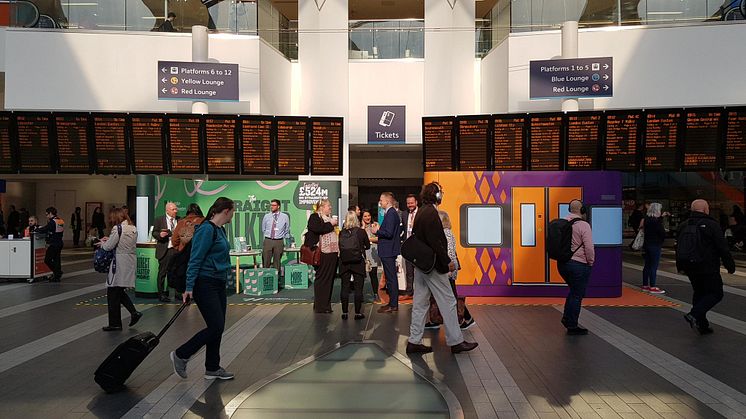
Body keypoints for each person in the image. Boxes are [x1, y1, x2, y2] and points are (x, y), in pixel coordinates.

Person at [406, 182, 477, 355]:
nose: (442, 195)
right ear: (436, 195)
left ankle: (414, 341)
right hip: (433, 266)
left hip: (421, 265)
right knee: (449, 301)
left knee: (420, 304)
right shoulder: (432, 213)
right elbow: (436, 242)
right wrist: (447, 262)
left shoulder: (421, 212)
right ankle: (456, 341)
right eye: (441, 193)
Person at [171, 197, 236, 381]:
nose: (233, 215)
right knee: (215, 327)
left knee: (218, 326)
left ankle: (212, 368)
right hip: (204, 283)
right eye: (233, 211)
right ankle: (181, 354)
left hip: (217, 283)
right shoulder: (206, 229)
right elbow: (195, 259)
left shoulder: (219, 230)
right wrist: (189, 286)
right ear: (226, 211)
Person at [678, 199, 735, 335]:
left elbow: (678, 247)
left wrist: (680, 266)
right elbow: (722, 247)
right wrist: (729, 265)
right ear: (705, 209)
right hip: (708, 266)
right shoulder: (712, 225)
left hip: (689, 266)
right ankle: (694, 314)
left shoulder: (683, 225)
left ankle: (702, 325)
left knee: (699, 292)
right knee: (716, 293)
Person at [426, 210, 476, 330]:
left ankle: (464, 320)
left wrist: (448, 269)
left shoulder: (445, 233)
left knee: (450, 297)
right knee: (447, 296)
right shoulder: (445, 232)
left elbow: (449, 253)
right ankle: (438, 319)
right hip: (446, 269)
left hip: (446, 270)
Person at [99, 208, 141, 331]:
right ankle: (134, 313)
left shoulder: (117, 228)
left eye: (111, 217)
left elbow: (108, 247)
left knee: (112, 293)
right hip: (130, 261)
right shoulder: (133, 228)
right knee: (118, 292)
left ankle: (115, 323)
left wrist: (102, 243)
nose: (110, 220)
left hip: (119, 264)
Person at [557, 200, 595, 335]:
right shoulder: (583, 225)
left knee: (574, 292)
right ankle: (572, 325)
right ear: (582, 210)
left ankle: (568, 319)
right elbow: (589, 247)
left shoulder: (562, 222)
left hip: (562, 264)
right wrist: (590, 262)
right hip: (578, 264)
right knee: (577, 294)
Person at [304, 199, 339, 313]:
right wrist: (331, 224)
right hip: (322, 253)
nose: (330, 208)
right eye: (328, 206)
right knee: (322, 279)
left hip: (332, 253)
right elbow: (318, 229)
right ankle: (321, 306)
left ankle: (324, 304)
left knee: (329, 280)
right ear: (321, 207)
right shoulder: (315, 217)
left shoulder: (329, 219)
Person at [372, 192, 402, 314]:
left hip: (388, 250)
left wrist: (377, 231)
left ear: (387, 201)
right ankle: (391, 303)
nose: (380, 203)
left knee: (391, 278)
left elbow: (389, 233)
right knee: (390, 277)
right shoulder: (391, 213)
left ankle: (393, 304)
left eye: (381, 200)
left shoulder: (391, 214)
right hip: (388, 250)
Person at [339, 211, 371, 320]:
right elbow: (367, 246)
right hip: (358, 261)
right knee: (358, 288)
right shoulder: (361, 232)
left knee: (345, 287)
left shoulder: (341, 232)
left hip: (344, 262)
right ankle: (357, 312)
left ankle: (344, 312)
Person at [152, 202, 179, 302]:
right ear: (167, 210)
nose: (176, 211)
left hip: (176, 250)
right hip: (165, 249)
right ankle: (161, 294)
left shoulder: (179, 220)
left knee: (176, 272)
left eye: (176, 209)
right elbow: (154, 232)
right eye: (173, 209)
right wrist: (160, 235)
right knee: (162, 273)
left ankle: (177, 293)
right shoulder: (159, 219)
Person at [641, 203, 668, 294]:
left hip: (647, 244)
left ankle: (645, 285)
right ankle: (653, 286)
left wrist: (661, 218)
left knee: (647, 265)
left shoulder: (647, 220)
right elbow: (662, 233)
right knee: (653, 266)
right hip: (655, 245)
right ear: (657, 210)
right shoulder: (657, 222)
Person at [35, 207, 65, 282]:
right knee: (57, 260)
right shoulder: (60, 221)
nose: (46, 216)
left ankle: (57, 273)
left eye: (47, 214)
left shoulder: (52, 222)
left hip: (54, 243)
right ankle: (57, 276)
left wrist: (36, 229)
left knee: (47, 260)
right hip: (59, 242)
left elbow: (45, 229)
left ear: (51, 213)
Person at [261, 199, 290, 273]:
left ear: (278, 206)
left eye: (274, 205)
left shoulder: (285, 216)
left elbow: (286, 229)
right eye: (271, 205)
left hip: (279, 241)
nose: (272, 207)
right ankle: (265, 279)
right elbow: (263, 228)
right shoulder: (267, 216)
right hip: (268, 240)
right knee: (266, 261)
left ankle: (276, 281)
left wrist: (281, 236)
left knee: (277, 263)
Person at [399, 194, 419, 300]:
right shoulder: (404, 214)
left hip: (419, 247)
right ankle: (409, 292)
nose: (410, 205)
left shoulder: (421, 213)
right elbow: (402, 229)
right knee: (409, 271)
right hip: (408, 247)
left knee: (420, 272)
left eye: (412, 203)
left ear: (416, 203)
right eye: (408, 203)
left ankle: (420, 293)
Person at [362, 210, 381, 302]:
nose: (367, 218)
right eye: (365, 216)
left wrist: (369, 239)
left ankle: (376, 293)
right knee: (361, 274)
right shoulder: (359, 226)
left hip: (373, 251)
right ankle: (360, 295)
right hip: (363, 251)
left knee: (373, 274)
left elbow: (380, 238)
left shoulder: (375, 224)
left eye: (368, 215)